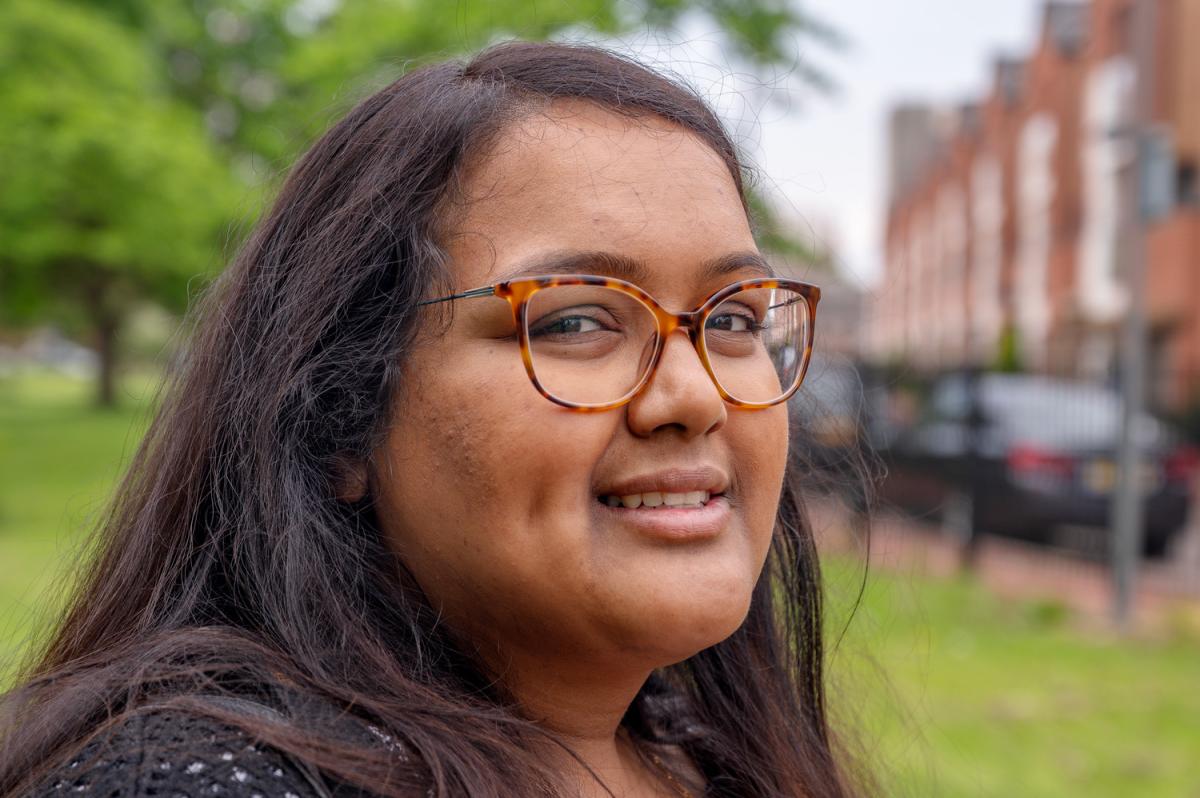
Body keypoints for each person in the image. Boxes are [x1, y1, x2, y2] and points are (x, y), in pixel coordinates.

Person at [0, 40, 860, 797]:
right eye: (574, 320)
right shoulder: (197, 778)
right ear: (340, 421)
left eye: (735, 319)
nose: (697, 396)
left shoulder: (699, 752)